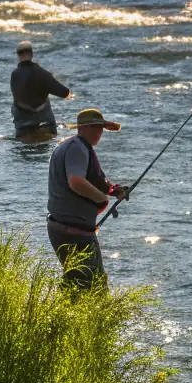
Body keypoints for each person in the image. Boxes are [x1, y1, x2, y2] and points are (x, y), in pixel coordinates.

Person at [46, 108, 132, 288]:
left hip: (66, 228)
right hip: (72, 231)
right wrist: (102, 198)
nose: (99, 131)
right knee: (93, 286)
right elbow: (76, 181)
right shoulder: (77, 148)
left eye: (101, 128)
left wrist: (114, 190)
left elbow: (96, 180)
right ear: (82, 128)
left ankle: (59, 313)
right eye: (95, 127)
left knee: (78, 282)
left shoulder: (73, 146)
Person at [10, 40, 71, 142]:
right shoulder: (43, 73)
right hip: (46, 127)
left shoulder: (14, 75)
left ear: (18, 55)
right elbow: (64, 93)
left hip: (23, 130)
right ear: (32, 54)